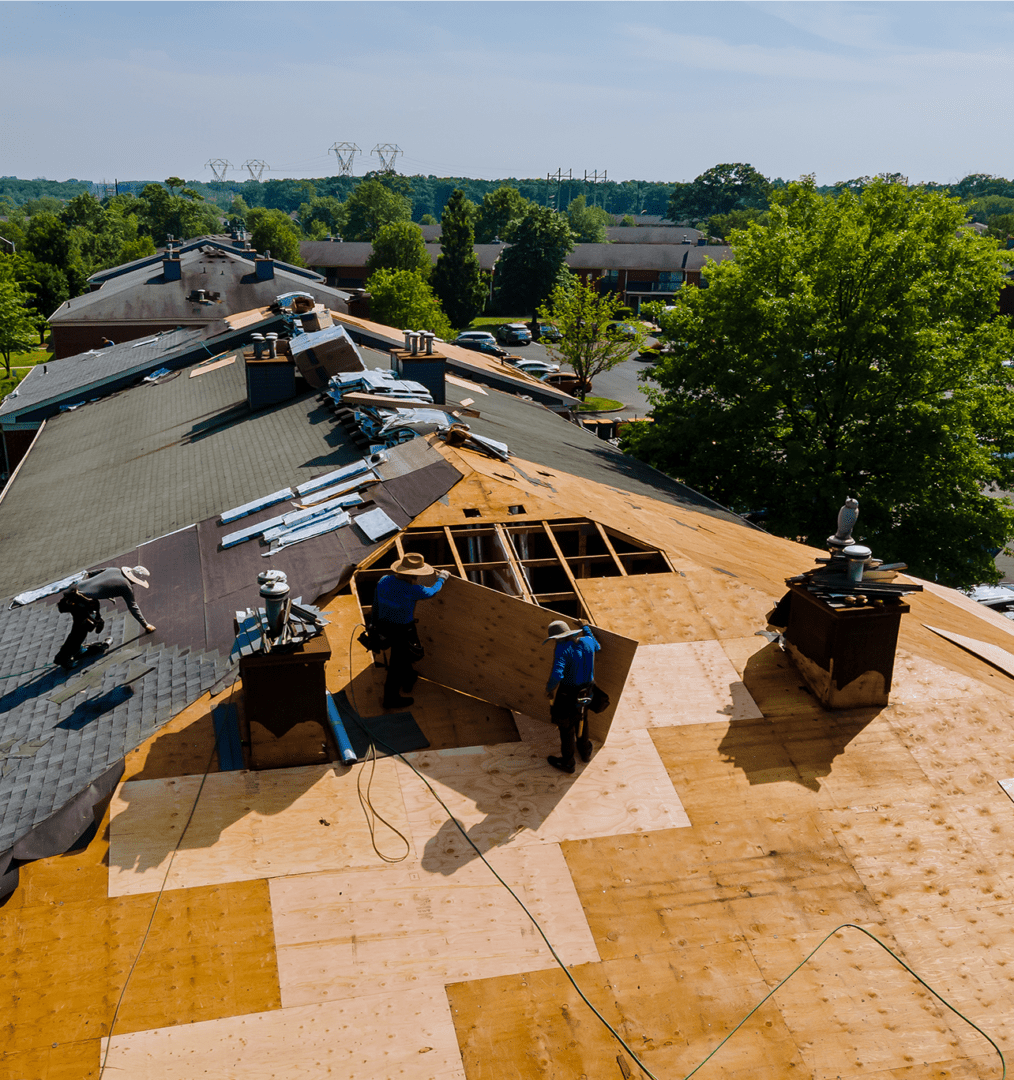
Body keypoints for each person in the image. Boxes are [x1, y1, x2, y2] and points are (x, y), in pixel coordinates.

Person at [374, 553, 448, 709]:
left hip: (384, 626)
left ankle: (409, 678)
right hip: (402, 630)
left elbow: (376, 603)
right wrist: (441, 578)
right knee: (397, 664)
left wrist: (374, 623)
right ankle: (390, 699)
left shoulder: (384, 580)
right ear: (414, 574)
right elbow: (433, 591)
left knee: (402, 656)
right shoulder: (413, 590)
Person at [544, 619, 600, 774]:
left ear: (558, 638)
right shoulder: (587, 641)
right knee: (582, 718)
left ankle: (568, 763)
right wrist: (586, 627)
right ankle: (585, 752)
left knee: (566, 727)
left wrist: (549, 689)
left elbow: (557, 674)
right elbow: (597, 646)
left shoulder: (562, 648)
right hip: (587, 692)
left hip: (568, 695)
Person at [77, 566, 156, 633]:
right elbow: (133, 606)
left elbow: (90, 574)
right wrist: (145, 625)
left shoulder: (114, 569)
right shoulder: (126, 586)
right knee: (86, 625)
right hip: (80, 599)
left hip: (75, 587)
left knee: (93, 612)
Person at [53, 588, 106, 670]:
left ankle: (69, 654)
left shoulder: (86, 601)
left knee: (76, 635)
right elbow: (86, 615)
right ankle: (64, 660)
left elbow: (92, 615)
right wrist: (96, 622)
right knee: (76, 637)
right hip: (80, 621)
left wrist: (97, 621)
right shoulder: (78, 605)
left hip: (81, 619)